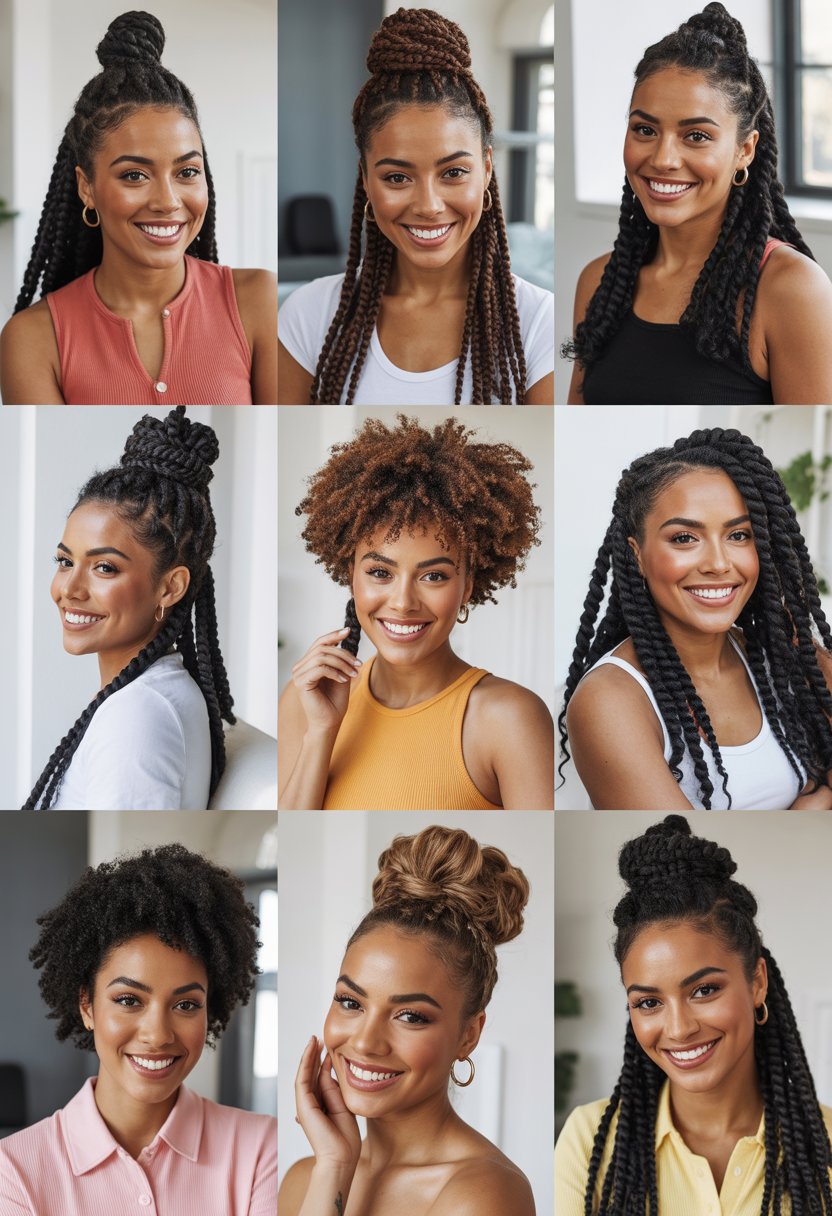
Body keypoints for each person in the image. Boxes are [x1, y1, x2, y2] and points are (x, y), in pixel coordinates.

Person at [555, 815, 832, 1215]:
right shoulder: (588, 1137)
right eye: (649, 1002)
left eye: (704, 990)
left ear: (756, 982)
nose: (680, 1029)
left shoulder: (825, 1142)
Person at [278, 7, 554, 405]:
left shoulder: (538, 322)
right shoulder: (309, 315)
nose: (428, 206)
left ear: (487, 167)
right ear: (366, 179)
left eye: (454, 172)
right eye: (397, 177)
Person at [0, 10, 276, 405]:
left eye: (187, 171)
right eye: (134, 175)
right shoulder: (32, 339)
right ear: (87, 187)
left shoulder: (257, 301)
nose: (167, 201)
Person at [279, 413, 554, 809]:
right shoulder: (305, 700)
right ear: (350, 574)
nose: (403, 601)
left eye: (434, 576)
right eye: (379, 572)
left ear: (468, 586)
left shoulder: (509, 719)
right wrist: (322, 730)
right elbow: (295, 846)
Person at [564, 2, 832, 405]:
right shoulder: (598, 282)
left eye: (697, 136)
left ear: (744, 150)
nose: (663, 159)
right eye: (645, 129)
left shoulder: (791, 290)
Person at [558, 427, 832, 810]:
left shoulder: (785, 657)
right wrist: (817, 803)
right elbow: (688, 854)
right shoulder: (610, 700)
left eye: (739, 535)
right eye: (685, 538)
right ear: (637, 554)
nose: (719, 564)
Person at [0, 843, 276, 1215]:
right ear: (87, 1006)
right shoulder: (14, 1172)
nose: (158, 1034)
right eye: (129, 1000)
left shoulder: (262, 1149)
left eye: (186, 1005)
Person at [280, 824, 536, 1215]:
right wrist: (334, 1166)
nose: (366, 1042)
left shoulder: (485, 1193)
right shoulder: (306, 1178)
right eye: (351, 1002)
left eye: (411, 1016)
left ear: (469, 1035)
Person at [25, 405, 234, 810]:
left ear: (170, 587)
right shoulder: (143, 695)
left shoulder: (137, 716)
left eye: (104, 567)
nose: (69, 588)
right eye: (65, 561)